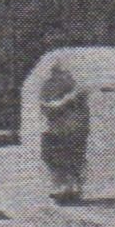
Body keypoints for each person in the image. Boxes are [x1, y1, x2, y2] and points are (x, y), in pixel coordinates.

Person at [38, 59, 89, 204]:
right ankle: (61, 189)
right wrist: (67, 100)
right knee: (55, 161)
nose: (61, 76)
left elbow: (82, 110)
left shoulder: (75, 87)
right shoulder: (48, 86)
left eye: (63, 73)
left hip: (72, 130)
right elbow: (48, 107)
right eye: (57, 73)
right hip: (54, 130)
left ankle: (73, 189)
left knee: (74, 160)